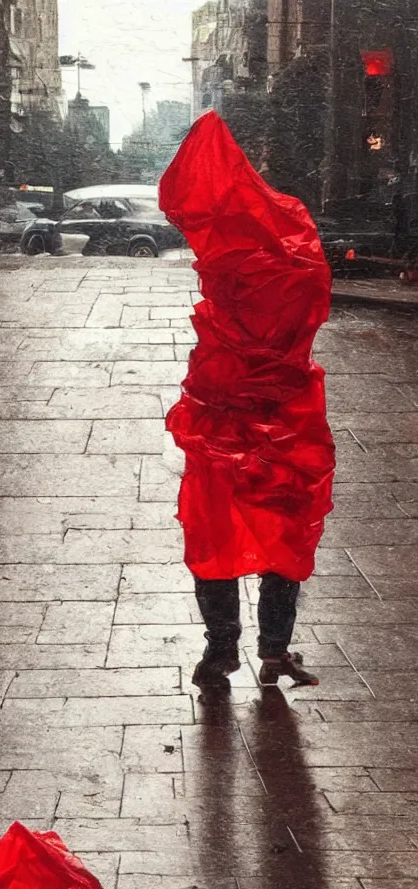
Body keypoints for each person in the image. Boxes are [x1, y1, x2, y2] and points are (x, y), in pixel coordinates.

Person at [159, 112, 335, 688]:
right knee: (283, 528)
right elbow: (311, 304)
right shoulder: (292, 242)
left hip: (225, 414)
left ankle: (222, 651)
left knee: (217, 533)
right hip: (279, 415)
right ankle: (272, 651)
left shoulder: (228, 261)